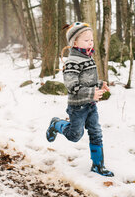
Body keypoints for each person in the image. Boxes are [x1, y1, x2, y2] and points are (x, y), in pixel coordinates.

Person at [46, 22, 114, 177]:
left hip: (90, 105)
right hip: (77, 107)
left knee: (96, 132)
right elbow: (72, 86)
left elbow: (87, 81)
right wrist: (91, 93)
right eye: (86, 40)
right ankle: (56, 124)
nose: (90, 43)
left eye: (91, 40)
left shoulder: (88, 58)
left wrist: (100, 84)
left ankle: (98, 165)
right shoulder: (72, 62)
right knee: (74, 136)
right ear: (74, 43)